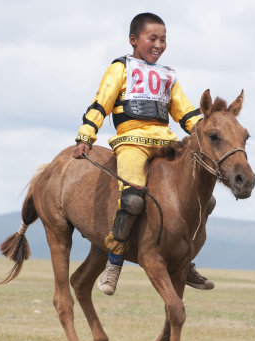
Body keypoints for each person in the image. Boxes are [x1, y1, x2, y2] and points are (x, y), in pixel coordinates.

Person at [73, 12, 215, 295]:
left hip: (165, 143)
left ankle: (185, 262)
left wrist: (212, 129)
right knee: (133, 199)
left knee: (205, 200)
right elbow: (101, 103)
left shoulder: (168, 75)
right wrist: (86, 136)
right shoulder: (121, 68)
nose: (159, 44)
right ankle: (114, 262)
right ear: (134, 40)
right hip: (132, 143)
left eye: (163, 39)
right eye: (153, 38)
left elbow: (186, 113)